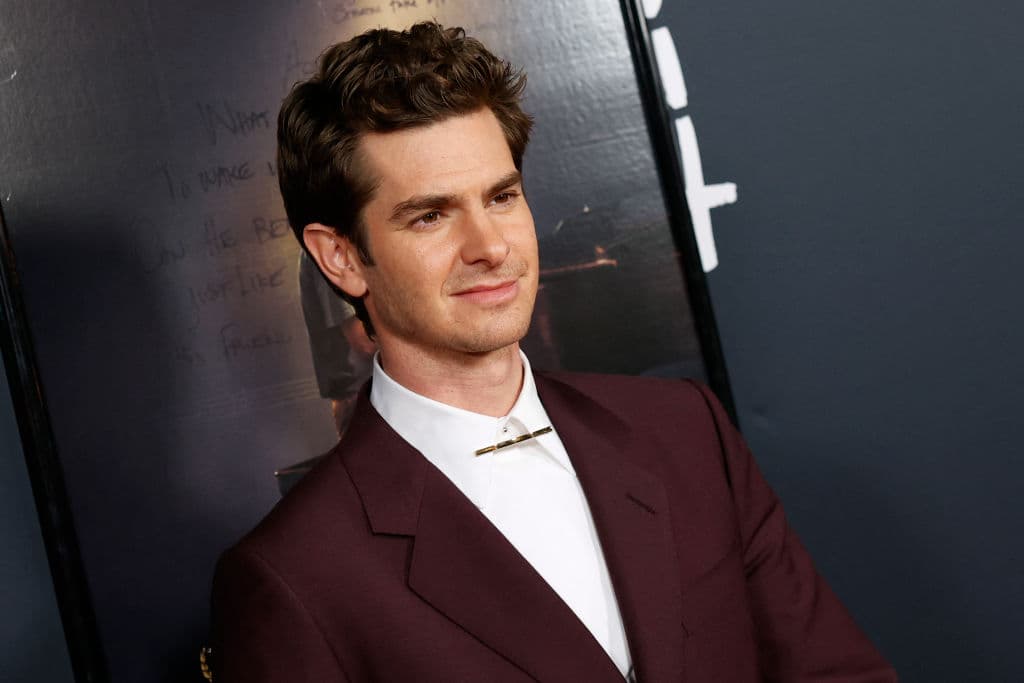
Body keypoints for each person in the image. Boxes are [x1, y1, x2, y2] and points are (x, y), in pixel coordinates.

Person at [210, 22, 897, 682]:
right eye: (431, 215)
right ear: (341, 257)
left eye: (502, 197)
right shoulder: (295, 576)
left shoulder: (685, 431)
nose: (490, 246)